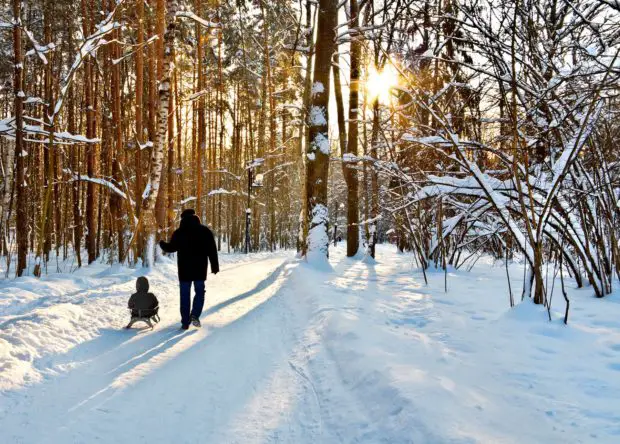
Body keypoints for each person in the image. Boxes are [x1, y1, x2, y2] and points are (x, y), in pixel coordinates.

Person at [159, 209, 219, 330]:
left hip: (184, 270)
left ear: (183, 219)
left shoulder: (179, 232)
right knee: (200, 292)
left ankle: (185, 322)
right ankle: (195, 315)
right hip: (199, 269)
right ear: (196, 217)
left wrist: (162, 243)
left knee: (184, 295)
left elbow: (171, 248)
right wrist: (214, 266)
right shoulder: (205, 231)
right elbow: (212, 249)